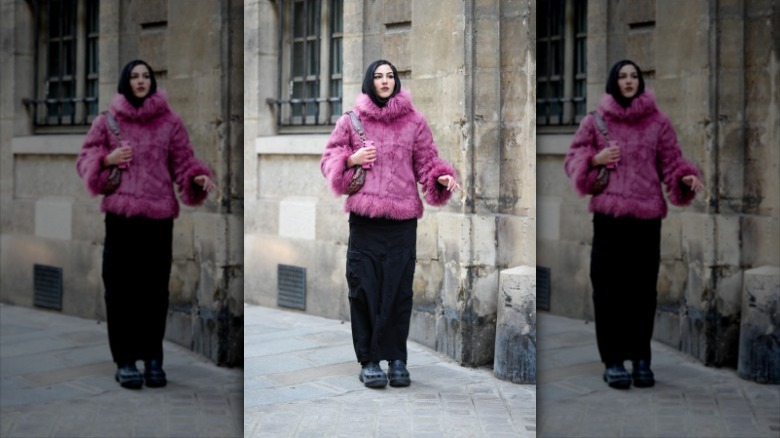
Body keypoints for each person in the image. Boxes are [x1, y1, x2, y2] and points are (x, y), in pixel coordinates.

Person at [564, 59, 704, 390]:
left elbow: (672, 162)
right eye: (623, 76)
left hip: (646, 219)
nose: (629, 81)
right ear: (614, 82)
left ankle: (641, 358)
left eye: (634, 76)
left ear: (641, 82)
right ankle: (613, 360)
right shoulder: (596, 122)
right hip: (609, 219)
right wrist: (594, 160)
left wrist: (686, 178)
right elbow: (573, 161)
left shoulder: (658, 122)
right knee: (608, 290)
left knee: (642, 291)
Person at [321, 60, 460, 389]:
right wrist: (351, 160)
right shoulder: (352, 120)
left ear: (397, 82)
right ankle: (369, 360)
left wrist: (441, 177)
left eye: (390, 76)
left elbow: (426, 161)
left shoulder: (415, 121)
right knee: (365, 289)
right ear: (370, 82)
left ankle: (397, 358)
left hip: (402, 221)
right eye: (379, 76)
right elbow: (328, 159)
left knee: (398, 292)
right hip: (365, 221)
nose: (385, 81)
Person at [77, 59, 215, 389]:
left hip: (157, 219)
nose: (141, 81)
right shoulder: (107, 121)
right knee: (120, 289)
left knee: (153, 291)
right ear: (126, 83)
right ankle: (125, 360)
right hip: (121, 220)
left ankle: (153, 358)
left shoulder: (170, 122)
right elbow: (84, 159)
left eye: (146, 76)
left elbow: (184, 163)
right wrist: (105, 160)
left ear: (153, 82)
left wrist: (198, 179)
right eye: (135, 76)